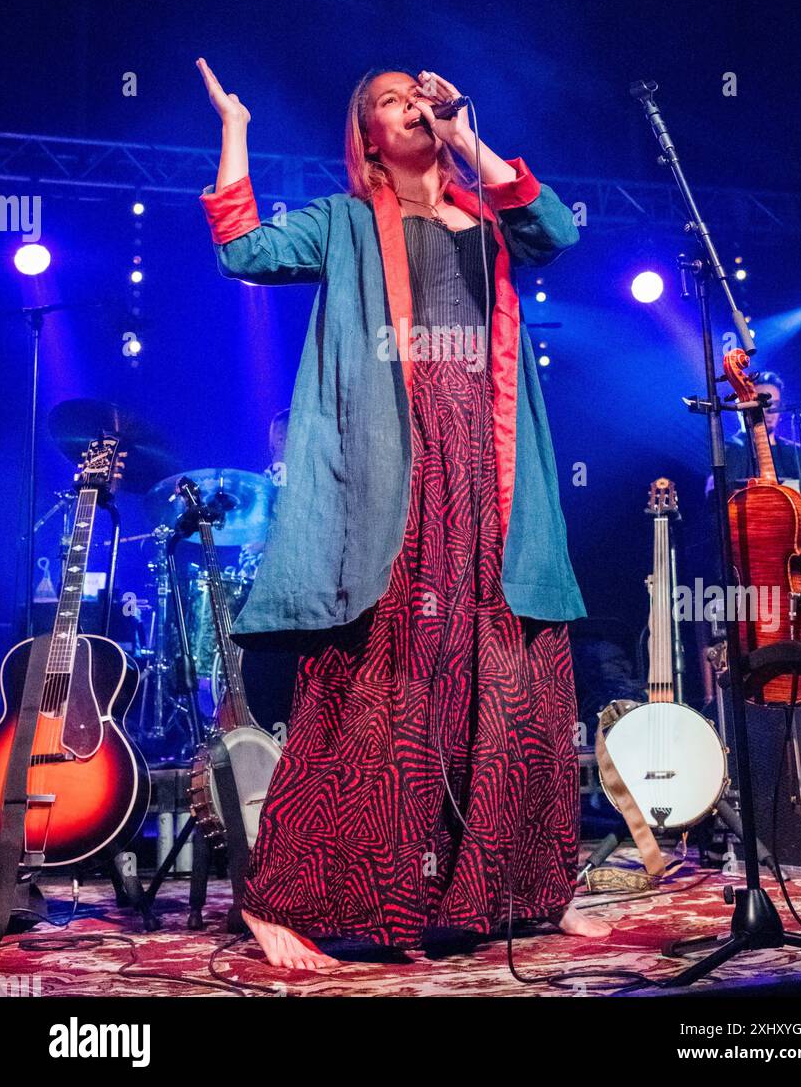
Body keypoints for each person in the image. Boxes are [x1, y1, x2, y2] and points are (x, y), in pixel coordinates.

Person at [197, 58, 612, 969]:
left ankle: (526, 894)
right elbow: (243, 249)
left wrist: (468, 136)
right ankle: (288, 900)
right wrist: (236, 128)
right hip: (398, 463)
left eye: (417, 94)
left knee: (512, 672)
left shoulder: (488, 219)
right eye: (390, 101)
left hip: (491, 460)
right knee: (384, 676)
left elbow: (558, 230)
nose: (411, 106)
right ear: (367, 137)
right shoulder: (345, 222)